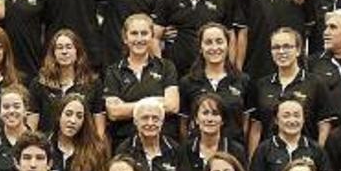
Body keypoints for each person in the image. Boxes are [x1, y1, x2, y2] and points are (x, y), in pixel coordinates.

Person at [247, 28, 332, 153]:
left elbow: (324, 126)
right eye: (276, 47)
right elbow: (256, 128)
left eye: (287, 46)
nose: (281, 51)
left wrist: (318, 155)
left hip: (304, 158)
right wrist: (253, 160)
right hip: (269, 158)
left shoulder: (315, 83)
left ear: (298, 50)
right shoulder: (261, 85)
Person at [249, 98, 335, 171]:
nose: (292, 120)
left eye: (296, 115)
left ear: (304, 119)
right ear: (276, 120)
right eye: (286, 115)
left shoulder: (316, 150)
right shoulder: (263, 149)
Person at [104, 14, 178, 146]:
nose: (139, 39)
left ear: (151, 36)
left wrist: (127, 107)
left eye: (144, 33)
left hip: (163, 143)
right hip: (125, 143)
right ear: (125, 38)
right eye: (134, 33)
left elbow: (172, 106)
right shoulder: (113, 71)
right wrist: (155, 101)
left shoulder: (166, 67)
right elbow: (114, 112)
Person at [116, 97, 189, 171]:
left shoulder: (176, 149)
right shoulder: (124, 150)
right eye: (145, 118)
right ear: (135, 121)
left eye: (155, 118)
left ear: (162, 122)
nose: (150, 123)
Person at [178, 22, 248, 142]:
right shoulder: (187, 82)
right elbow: (183, 125)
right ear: (200, 48)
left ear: (228, 45)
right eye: (208, 42)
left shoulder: (243, 80)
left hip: (233, 152)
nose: (214, 47)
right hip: (198, 153)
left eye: (219, 41)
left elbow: (246, 122)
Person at [175, 93, 248, 171]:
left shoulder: (236, 150)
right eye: (205, 113)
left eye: (215, 114)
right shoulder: (185, 149)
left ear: (222, 120)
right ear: (196, 119)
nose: (210, 119)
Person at [30, 29, 102, 137]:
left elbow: (99, 127)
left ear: (77, 51)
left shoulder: (93, 83)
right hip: (49, 147)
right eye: (59, 48)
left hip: (82, 146)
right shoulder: (39, 83)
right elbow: (32, 127)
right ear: (53, 53)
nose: (64, 51)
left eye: (69, 47)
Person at [50, 93, 108, 171]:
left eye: (79, 116)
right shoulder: (46, 146)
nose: (73, 120)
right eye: (68, 114)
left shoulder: (94, 150)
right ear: (58, 116)